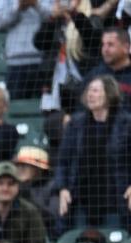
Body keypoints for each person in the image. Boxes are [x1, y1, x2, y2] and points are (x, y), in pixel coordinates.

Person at [56, 75, 131, 230]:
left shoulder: (127, 124)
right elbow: (63, 161)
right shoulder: (76, 124)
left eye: (96, 90)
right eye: (89, 90)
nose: (90, 94)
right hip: (82, 201)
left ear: (109, 94)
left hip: (117, 200)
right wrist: (63, 188)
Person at [0, 0, 55, 99]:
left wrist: (36, 4)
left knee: (48, 107)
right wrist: (17, 7)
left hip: (45, 62)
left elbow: (56, 16)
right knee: (14, 106)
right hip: (16, 63)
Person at [0, 161, 48, 243]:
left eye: (11, 183)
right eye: (0, 183)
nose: (5, 188)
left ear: (18, 186)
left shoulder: (31, 212)